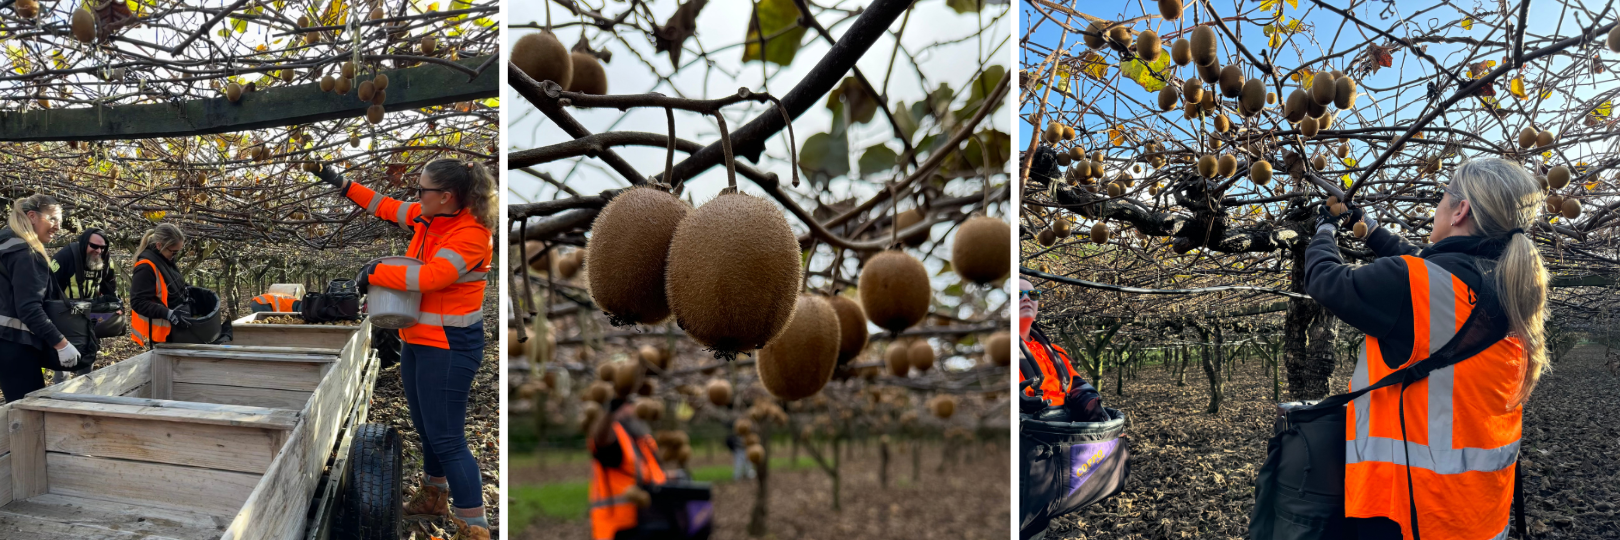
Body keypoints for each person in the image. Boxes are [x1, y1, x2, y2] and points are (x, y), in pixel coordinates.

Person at [1305, 158, 1546, 540]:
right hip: (1480, 514)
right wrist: (1368, 230)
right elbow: (1423, 269)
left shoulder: (1417, 285)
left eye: (1443, 197)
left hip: (1411, 515)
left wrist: (1324, 227)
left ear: (1460, 210)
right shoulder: (1511, 289)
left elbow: (1324, 280)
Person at [314, 158, 495, 539]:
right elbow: (384, 205)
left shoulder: (471, 233)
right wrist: (341, 182)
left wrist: (374, 271)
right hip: (418, 340)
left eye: (421, 190)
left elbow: (432, 277)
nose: (415, 196)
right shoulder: (428, 217)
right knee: (429, 431)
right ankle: (434, 495)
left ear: (446, 196)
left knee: (448, 438)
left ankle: (473, 527)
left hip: (449, 347)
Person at [0, 195, 79, 402]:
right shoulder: (26, 253)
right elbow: (29, 308)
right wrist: (61, 344)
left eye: (59, 222)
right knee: (26, 410)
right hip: (16, 345)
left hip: (4, 340)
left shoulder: (5, 243)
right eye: (52, 219)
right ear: (32, 216)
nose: (57, 227)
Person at [1016, 277, 1104, 422]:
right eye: (1018, 294)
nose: (1026, 298)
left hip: (1062, 430)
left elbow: (1075, 384)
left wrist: (1089, 401)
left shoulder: (1054, 351)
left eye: (1032, 294)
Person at [589, 392, 668, 540]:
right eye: (627, 405)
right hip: (619, 524)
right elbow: (600, 438)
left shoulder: (640, 436)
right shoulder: (613, 435)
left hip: (645, 518)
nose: (632, 409)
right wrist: (610, 411)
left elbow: (647, 470)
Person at [51, 227, 121, 378]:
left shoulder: (106, 259)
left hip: (90, 314)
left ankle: (85, 390)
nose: (98, 251)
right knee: (64, 361)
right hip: (65, 315)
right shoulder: (65, 256)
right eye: (94, 246)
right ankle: (60, 393)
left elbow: (110, 286)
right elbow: (49, 286)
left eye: (102, 247)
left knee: (88, 355)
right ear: (84, 243)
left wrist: (115, 305)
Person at [130, 223, 194, 347]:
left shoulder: (165, 260)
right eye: (173, 252)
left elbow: (172, 284)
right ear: (159, 245)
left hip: (176, 330)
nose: (175, 256)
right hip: (163, 335)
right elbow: (138, 302)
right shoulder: (145, 267)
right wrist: (168, 314)